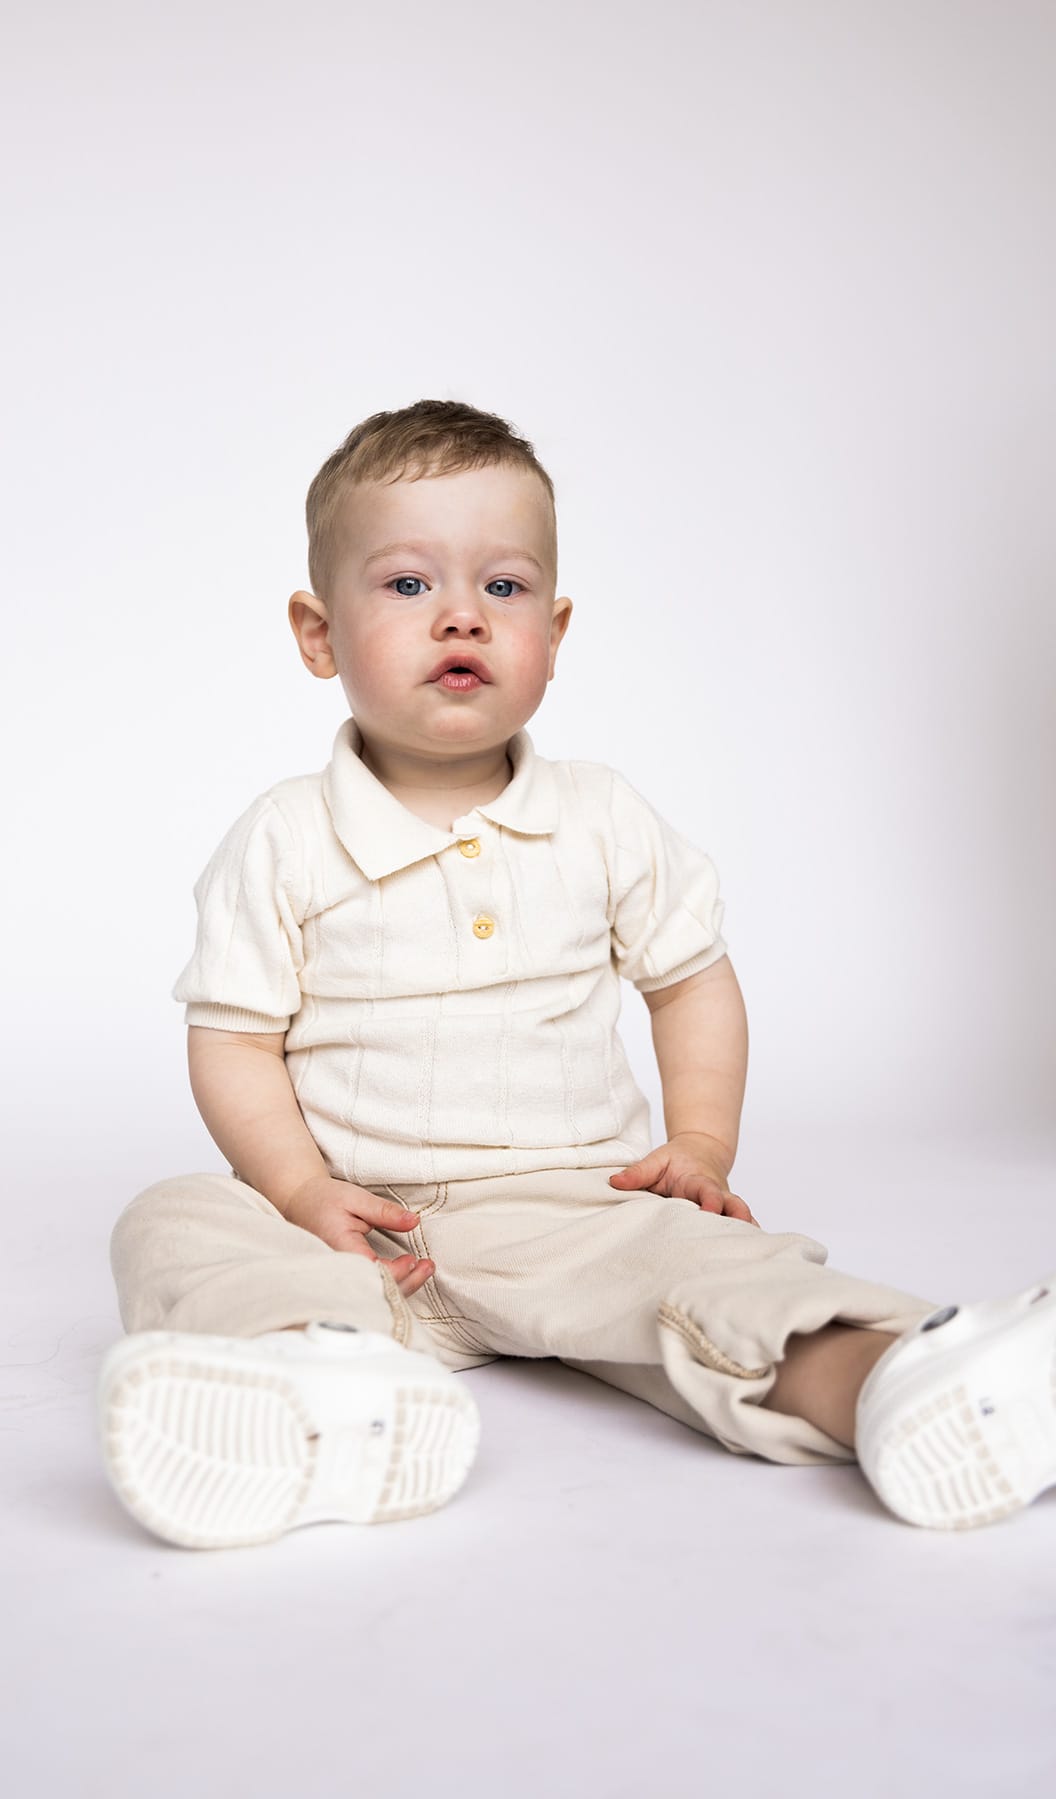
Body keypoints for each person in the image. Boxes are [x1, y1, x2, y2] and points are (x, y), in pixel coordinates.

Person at [98, 399, 1055, 1550]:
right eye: (407, 583)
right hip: (355, 1226)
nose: (462, 613)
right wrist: (300, 1192)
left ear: (553, 632)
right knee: (178, 1217)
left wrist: (699, 1144)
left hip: (575, 1211)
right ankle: (316, 1384)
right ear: (319, 634)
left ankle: (896, 1384)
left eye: (503, 587)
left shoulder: (602, 815)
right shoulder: (284, 834)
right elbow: (235, 1038)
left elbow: (691, 980)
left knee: (704, 1277)